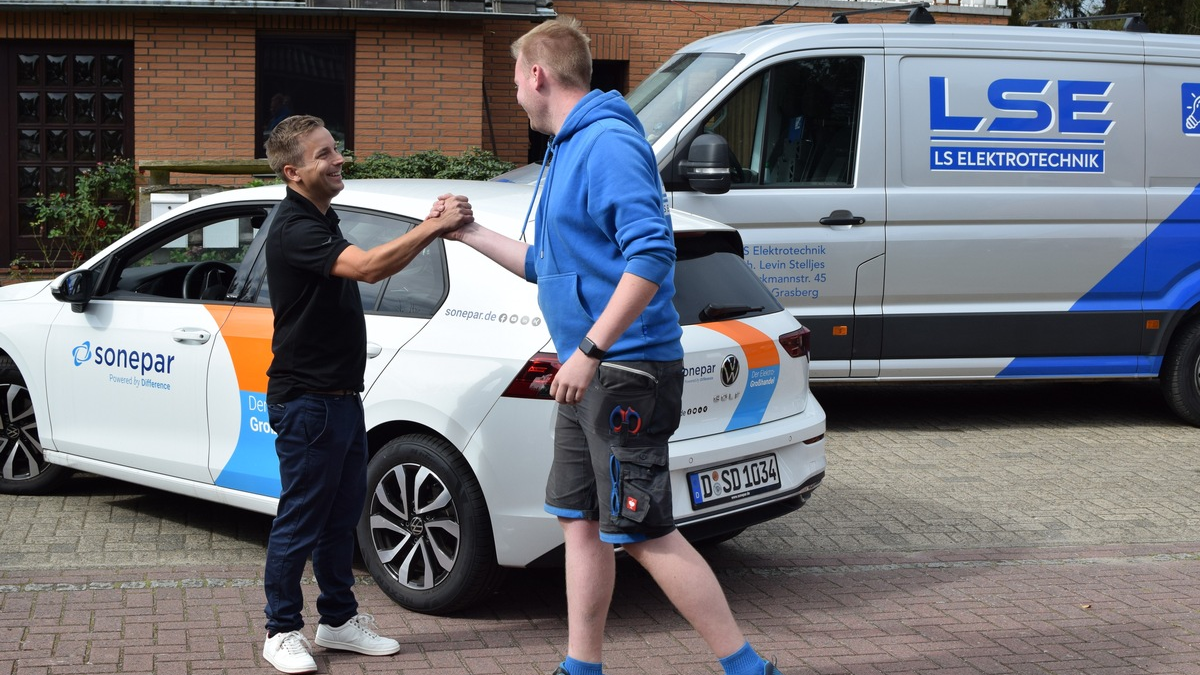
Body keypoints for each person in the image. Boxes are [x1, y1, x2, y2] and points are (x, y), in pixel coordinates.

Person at [440, 17, 785, 675]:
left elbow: (653, 255)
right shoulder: (568, 148)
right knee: (579, 520)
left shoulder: (607, 146)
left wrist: (590, 349)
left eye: (515, 79)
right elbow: (551, 264)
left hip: (624, 370)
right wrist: (470, 232)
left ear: (537, 75)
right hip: (589, 373)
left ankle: (747, 666)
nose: (514, 93)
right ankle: (582, 666)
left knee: (644, 528)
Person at [260, 114, 472, 674]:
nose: (338, 159)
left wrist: (428, 226)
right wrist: (435, 227)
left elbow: (379, 262)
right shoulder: (295, 228)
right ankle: (281, 630)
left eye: (335, 149)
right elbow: (370, 268)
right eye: (323, 154)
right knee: (300, 519)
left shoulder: (320, 219)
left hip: (339, 400)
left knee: (339, 518)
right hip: (306, 403)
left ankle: (337, 621)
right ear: (293, 171)